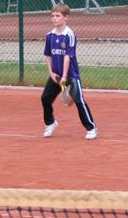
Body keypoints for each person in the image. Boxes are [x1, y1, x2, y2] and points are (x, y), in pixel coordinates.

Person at [41, 3, 97, 140]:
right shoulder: (50, 36)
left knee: (79, 101)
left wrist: (65, 76)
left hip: (71, 75)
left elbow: (67, 57)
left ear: (66, 17)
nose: (54, 18)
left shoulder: (69, 35)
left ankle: (91, 128)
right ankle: (50, 123)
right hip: (56, 75)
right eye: (52, 16)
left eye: (57, 16)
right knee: (45, 98)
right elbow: (48, 55)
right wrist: (51, 73)